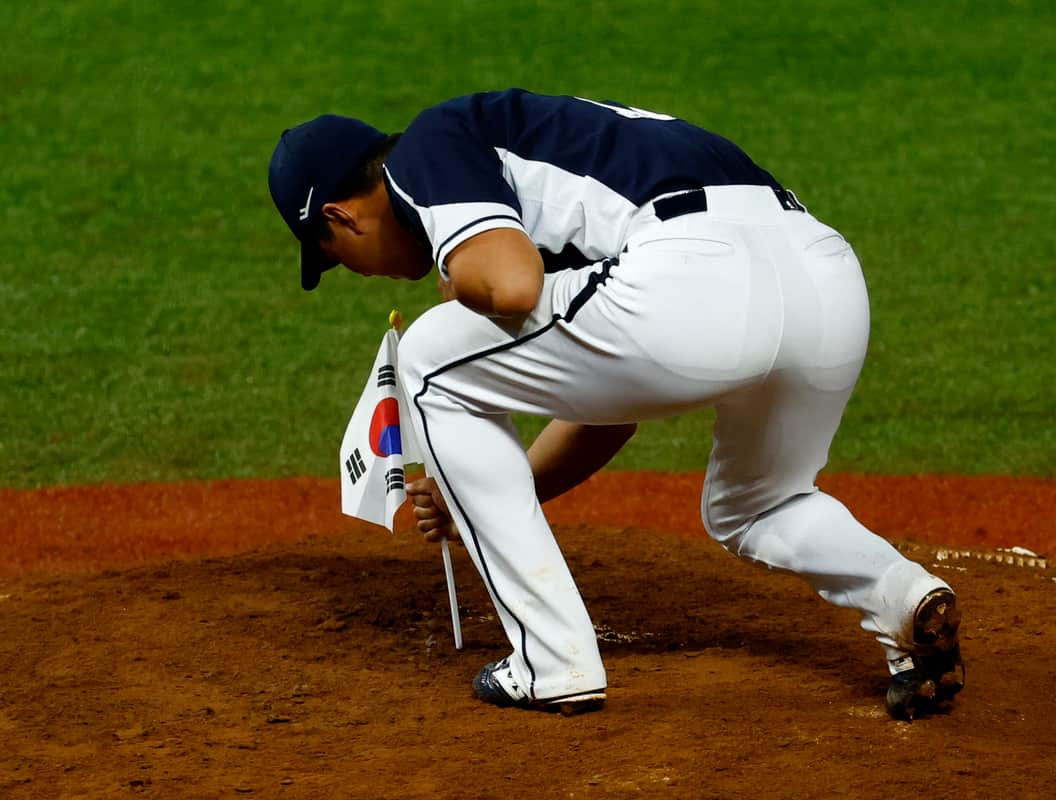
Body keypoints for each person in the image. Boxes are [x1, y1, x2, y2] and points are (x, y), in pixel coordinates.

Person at [267, 89, 964, 720]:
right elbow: (610, 405)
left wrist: (464, 280)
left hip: (695, 277)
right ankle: (902, 599)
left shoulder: (426, 150)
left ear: (338, 216)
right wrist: (480, 492)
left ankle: (552, 662)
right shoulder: (545, 159)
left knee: (428, 357)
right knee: (757, 502)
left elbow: (509, 286)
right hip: (827, 282)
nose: (353, 273)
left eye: (330, 256)